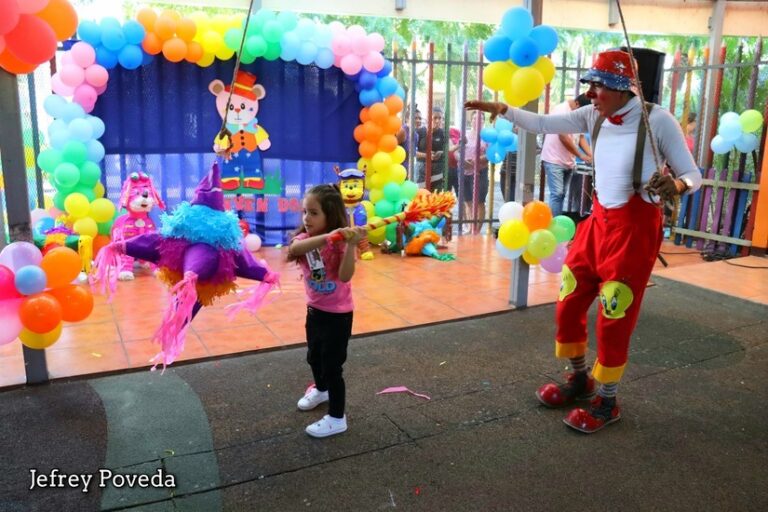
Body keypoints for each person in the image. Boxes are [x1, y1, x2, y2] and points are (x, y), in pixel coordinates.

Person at [466, 49, 702, 434]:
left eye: (598, 85)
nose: (590, 93)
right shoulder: (592, 115)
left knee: (614, 315)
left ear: (622, 87)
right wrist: (504, 108)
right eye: (589, 85)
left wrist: (676, 184)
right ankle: (580, 380)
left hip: (635, 230)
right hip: (597, 224)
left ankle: (607, 402)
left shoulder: (657, 120)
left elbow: (693, 174)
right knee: (568, 301)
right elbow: (542, 122)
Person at [288, 184, 366, 438]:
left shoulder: (342, 246)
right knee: (314, 357)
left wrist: (350, 244)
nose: (306, 219)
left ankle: (336, 417)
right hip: (315, 311)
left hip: (338, 316)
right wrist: (328, 237)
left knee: (333, 367)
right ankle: (320, 390)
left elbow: (344, 277)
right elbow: (294, 250)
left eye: (313, 213)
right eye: (305, 212)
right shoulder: (305, 240)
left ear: (329, 215)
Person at [541, 94, 593, 217]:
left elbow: (580, 137)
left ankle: (556, 224)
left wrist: (591, 154)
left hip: (568, 161)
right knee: (557, 194)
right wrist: (581, 155)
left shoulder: (577, 114)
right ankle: (554, 228)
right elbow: (563, 137)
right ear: (577, 105)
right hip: (554, 159)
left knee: (561, 194)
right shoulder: (561, 111)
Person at [462, 111, 490, 234]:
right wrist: (463, 159)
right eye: (474, 118)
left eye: (480, 119)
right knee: (468, 202)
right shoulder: (466, 135)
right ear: (471, 120)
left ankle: (477, 230)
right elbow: (458, 151)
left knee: (480, 202)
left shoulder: (487, 136)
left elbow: (491, 154)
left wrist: (478, 160)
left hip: (480, 172)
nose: (476, 121)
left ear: (484, 121)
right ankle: (469, 227)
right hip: (465, 172)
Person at [415, 107, 447, 191]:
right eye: (435, 118)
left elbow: (448, 149)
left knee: (435, 198)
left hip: (437, 169)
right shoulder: (420, 132)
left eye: (440, 118)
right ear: (429, 118)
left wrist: (441, 152)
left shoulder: (443, 133)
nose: (437, 121)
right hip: (421, 169)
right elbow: (412, 151)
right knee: (421, 197)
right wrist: (426, 155)